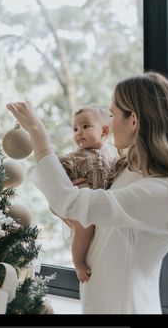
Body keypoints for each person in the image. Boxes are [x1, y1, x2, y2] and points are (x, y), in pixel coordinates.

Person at [6, 72, 168, 314]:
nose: (110, 123)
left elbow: (70, 202)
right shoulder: (130, 170)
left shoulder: (161, 193)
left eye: (113, 114)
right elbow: (86, 217)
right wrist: (69, 208)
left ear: (133, 120)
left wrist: (37, 131)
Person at [57, 106, 117, 282]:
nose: (79, 133)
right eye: (75, 129)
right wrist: (69, 184)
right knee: (84, 227)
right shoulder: (76, 157)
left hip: (104, 205)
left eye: (85, 126)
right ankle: (79, 263)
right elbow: (57, 172)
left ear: (104, 130)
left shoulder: (113, 153)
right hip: (83, 206)